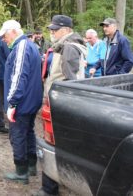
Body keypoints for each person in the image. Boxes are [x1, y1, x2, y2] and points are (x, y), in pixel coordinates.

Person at [35, 15, 87, 196]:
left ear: (65, 30)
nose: (51, 32)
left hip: (60, 105)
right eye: (51, 29)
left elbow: (70, 82)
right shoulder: (64, 46)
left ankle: (49, 189)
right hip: (58, 102)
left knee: (53, 144)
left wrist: (59, 104)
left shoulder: (69, 49)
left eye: (54, 30)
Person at [0, 20, 43, 184]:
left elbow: (18, 76)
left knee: (17, 136)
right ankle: (31, 166)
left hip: (23, 102)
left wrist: (12, 103)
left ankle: (21, 172)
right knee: (29, 132)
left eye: (5, 35)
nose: (3, 39)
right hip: (31, 100)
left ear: (14, 31)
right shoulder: (29, 45)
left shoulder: (22, 47)